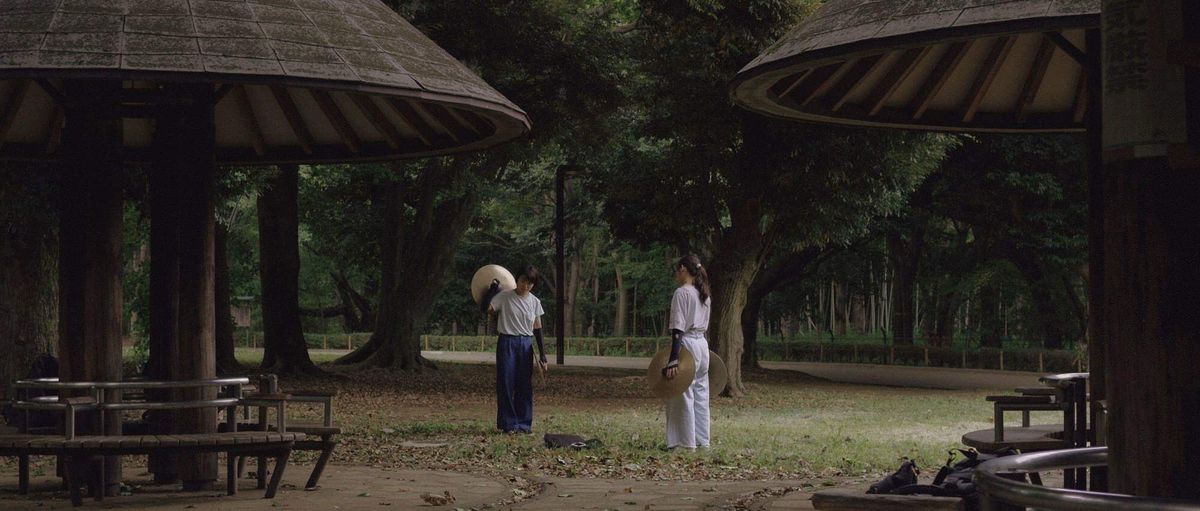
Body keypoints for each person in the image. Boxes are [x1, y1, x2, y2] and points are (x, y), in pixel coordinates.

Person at [480, 265, 549, 434]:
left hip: (525, 344)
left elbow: (537, 328)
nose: (526, 285)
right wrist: (492, 290)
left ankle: (524, 424)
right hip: (507, 342)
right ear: (517, 279)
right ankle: (508, 424)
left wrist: (543, 355)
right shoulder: (504, 297)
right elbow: (485, 308)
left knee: (524, 385)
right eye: (523, 281)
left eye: (530, 283)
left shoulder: (535, 302)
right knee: (506, 382)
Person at [663, 254, 711, 450]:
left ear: (683, 269)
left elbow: (677, 328)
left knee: (682, 392)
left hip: (688, 344)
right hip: (702, 345)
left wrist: (673, 359)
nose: (676, 275)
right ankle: (702, 440)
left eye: (677, 270)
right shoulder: (704, 294)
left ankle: (684, 442)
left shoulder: (682, 293)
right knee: (701, 393)